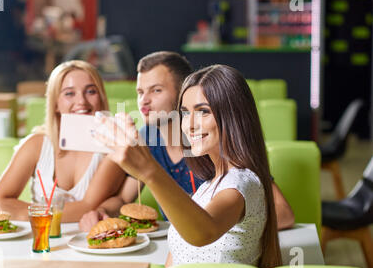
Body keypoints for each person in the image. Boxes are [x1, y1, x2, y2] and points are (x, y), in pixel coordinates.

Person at [92, 64, 283, 268]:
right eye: (184, 113)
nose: (189, 125)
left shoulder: (242, 182)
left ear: (233, 116)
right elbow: (177, 256)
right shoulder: (207, 186)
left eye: (203, 111)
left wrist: (149, 171)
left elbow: (203, 233)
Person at [79, 51, 294, 231]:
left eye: (156, 90)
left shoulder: (209, 140)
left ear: (184, 92)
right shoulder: (148, 137)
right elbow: (124, 198)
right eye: (140, 92)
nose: (144, 100)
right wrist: (103, 211)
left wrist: (222, 226)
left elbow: (283, 213)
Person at [0, 60, 126, 221]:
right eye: (69, 93)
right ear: (55, 104)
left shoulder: (114, 148)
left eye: (91, 91)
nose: (81, 101)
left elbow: (88, 207)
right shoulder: (36, 144)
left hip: (88, 240)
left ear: (101, 98)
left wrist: (25, 213)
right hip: (41, 240)